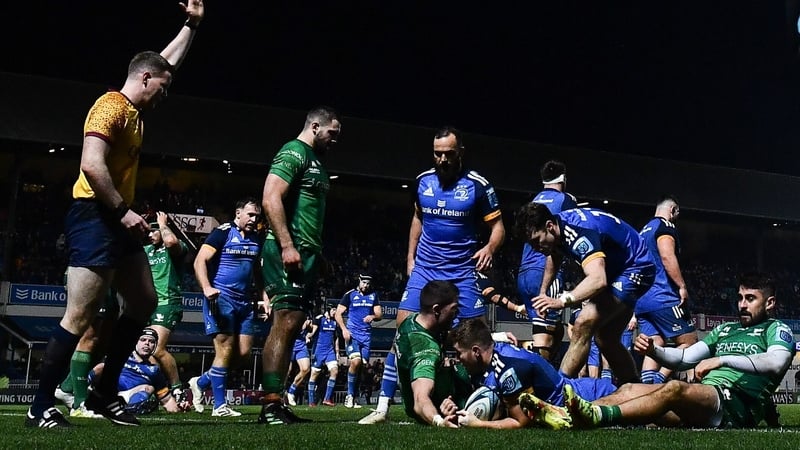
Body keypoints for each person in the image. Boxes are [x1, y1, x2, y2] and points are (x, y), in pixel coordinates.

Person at [25, 0, 205, 429]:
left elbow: (166, 63)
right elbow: (91, 163)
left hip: (116, 217)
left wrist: (191, 26)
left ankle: (105, 395)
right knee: (79, 315)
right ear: (144, 80)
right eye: (162, 87)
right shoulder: (110, 107)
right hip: (95, 214)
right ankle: (40, 407)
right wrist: (123, 211)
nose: (165, 93)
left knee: (143, 300)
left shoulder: (136, 110)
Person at [360, 126, 505, 424]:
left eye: (448, 154)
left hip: (462, 273)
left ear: (460, 152)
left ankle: (477, 400)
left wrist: (490, 247)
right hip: (426, 268)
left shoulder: (478, 186)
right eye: (437, 154)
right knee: (403, 330)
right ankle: (383, 406)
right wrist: (410, 257)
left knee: (473, 336)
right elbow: (417, 218)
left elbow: (499, 227)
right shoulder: (422, 181)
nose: (442, 159)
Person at [564, 272, 796, 429]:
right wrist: (655, 352)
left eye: (750, 299)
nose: (742, 305)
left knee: (674, 387)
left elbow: (776, 362)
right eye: (740, 298)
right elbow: (685, 358)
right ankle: (568, 417)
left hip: (736, 405)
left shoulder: (776, 328)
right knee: (630, 388)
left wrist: (722, 360)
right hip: (703, 399)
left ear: (770, 303)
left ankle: (599, 417)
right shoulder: (726, 329)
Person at [259, 106, 341, 425]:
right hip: (287, 251)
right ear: (315, 126)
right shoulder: (294, 152)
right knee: (285, 321)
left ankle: (276, 402)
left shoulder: (317, 162)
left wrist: (318, 257)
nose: (335, 140)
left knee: (292, 325)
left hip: (306, 253)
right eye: (332, 134)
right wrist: (287, 245)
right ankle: (269, 404)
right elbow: (270, 197)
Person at [518, 203, 655, 384]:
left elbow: (598, 280)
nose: (536, 248)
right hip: (619, 269)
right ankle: (636, 390)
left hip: (636, 267)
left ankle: (559, 392)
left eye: (537, 240)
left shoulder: (579, 233)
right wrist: (543, 292)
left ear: (549, 226)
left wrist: (561, 301)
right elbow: (554, 254)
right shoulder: (557, 229)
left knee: (582, 324)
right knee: (606, 339)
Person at [449, 319, 614, 430]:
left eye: (458, 353)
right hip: (585, 392)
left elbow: (520, 422)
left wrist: (478, 424)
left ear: (476, 351)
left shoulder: (509, 371)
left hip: (595, 397)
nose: (457, 359)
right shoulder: (492, 353)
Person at [189, 198, 267, 417]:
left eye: (257, 216)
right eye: (250, 215)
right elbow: (199, 261)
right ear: (238, 213)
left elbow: (257, 272)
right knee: (224, 349)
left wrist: (264, 297)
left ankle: (201, 382)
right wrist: (206, 287)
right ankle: (219, 406)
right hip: (221, 297)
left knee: (243, 355)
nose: (254, 219)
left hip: (246, 301)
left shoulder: (256, 239)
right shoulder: (222, 233)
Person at [517, 160, 578, 362]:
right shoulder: (566, 199)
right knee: (544, 338)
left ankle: (548, 375)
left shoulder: (533, 203)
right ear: (564, 179)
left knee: (554, 331)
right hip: (545, 271)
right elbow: (574, 232)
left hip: (524, 272)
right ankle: (537, 384)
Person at [637, 195, 698, 384]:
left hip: (641, 300)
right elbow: (666, 256)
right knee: (689, 342)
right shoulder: (665, 226)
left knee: (654, 345)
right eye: (677, 214)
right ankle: (658, 381)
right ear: (673, 210)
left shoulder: (642, 231)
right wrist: (681, 286)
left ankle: (646, 389)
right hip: (663, 296)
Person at [395, 280, 472, 427]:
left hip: (431, 395)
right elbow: (420, 399)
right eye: (454, 309)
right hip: (437, 407)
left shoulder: (413, 320)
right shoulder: (425, 349)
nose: (456, 315)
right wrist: (439, 421)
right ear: (436, 310)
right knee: (465, 367)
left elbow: (450, 336)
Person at [89, 328, 190, 415]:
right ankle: (81, 395)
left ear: (154, 347)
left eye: (151, 341)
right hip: (107, 393)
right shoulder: (121, 357)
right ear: (136, 342)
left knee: (148, 388)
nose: (147, 343)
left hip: (129, 398)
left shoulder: (154, 371)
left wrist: (179, 407)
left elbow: (167, 400)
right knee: (102, 367)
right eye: (143, 340)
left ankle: (126, 409)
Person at [54, 288, 119, 419]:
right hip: (93, 276)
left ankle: (66, 389)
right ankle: (80, 404)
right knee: (89, 337)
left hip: (112, 283)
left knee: (103, 344)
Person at [145, 211, 189, 399]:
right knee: (148, 354)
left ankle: (178, 388)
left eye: (153, 231)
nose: (150, 235)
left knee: (156, 348)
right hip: (148, 306)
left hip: (168, 303)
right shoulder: (147, 251)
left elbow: (170, 242)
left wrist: (162, 224)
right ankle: (160, 393)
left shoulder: (177, 248)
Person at [335, 274, 383, 408]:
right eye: (364, 283)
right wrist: (344, 329)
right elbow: (338, 313)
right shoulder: (349, 295)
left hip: (366, 337)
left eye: (368, 283)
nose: (366, 285)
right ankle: (349, 396)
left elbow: (379, 314)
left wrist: (372, 316)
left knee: (362, 367)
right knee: (355, 362)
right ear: (359, 281)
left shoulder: (373, 295)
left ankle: (354, 397)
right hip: (353, 334)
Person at [307, 304, 340, 407]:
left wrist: (337, 352)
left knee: (334, 371)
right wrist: (308, 337)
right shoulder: (319, 319)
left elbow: (336, 338)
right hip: (318, 351)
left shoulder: (335, 322)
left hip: (330, 351)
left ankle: (327, 399)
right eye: (334, 309)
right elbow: (313, 331)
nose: (335, 312)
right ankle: (311, 401)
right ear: (329, 310)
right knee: (314, 375)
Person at [285, 317, 314, 406]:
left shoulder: (306, 312)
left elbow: (310, 329)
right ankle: (281, 393)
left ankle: (291, 392)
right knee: (287, 371)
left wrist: (309, 326)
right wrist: (301, 327)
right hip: (289, 344)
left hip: (301, 345)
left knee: (306, 369)